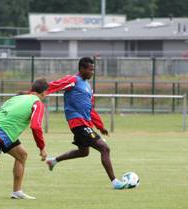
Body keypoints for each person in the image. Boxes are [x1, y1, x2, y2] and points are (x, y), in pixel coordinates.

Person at [45, 57, 127, 189]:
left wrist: (100, 126)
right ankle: (115, 182)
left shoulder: (88, 87)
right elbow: (54, 85)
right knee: (104, 148)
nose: (92, 72)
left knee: (84, 152)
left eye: (93, 69)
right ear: (82, 69)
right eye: (90, 69)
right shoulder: (72, 80)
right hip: (78, 123)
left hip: (85, 124)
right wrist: (35, 93)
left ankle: (53, 161)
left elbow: (90, 109)